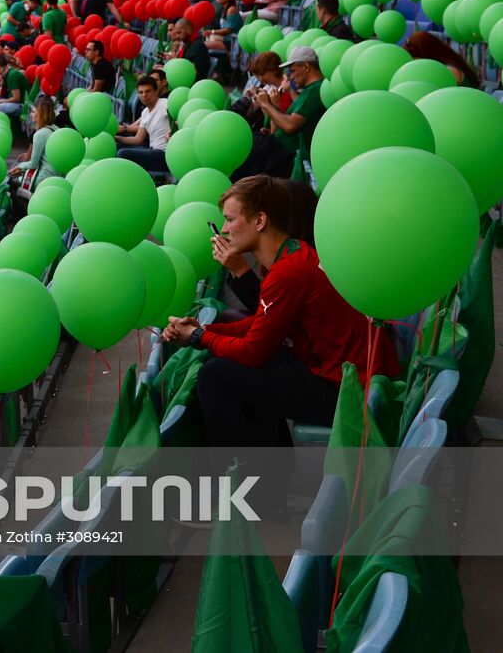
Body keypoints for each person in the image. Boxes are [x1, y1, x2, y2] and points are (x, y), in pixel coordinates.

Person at [163, 176, 394, 452]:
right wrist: (204, 330)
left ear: (260, 221)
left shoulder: (288, 272)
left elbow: (252, 352)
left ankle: (244, 475)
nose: (223, 230)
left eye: (230, 219)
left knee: (216, 376)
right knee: (227, 360)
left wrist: (198, 336)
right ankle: (272, 471)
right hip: (346, 376)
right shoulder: (296, 252)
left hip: (350, 392)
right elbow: (263, 324)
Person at [235, 45, 325, 179]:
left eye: (293, 71)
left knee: (241, 163)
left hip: (284, 155)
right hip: (278, 150)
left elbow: (290, 125)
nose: (291, 77)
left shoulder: (315, 91)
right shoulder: (309, 90)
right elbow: (286, 120)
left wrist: (266, 104)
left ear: (306, 67)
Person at [7, 95, 59, 201]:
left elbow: (33, 164)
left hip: (45, 176)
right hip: (57, 174)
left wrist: (18, 167)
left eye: (34, 112)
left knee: (11, 182)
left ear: (42, 115)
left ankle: (21, 213)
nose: (31, 115)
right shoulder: (56, 128)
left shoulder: (40, 134)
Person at [114, 75, 170, 172]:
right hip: (152, 150)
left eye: (148, 91)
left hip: (164, 155)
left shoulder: (165, 104)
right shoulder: (145, 112)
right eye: (141, 92)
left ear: (156, 91)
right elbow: (138, 139)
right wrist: (115, 138)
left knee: (122, 154)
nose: (144, 95)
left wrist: (172, 130)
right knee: (115, 146)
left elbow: (180, 117)